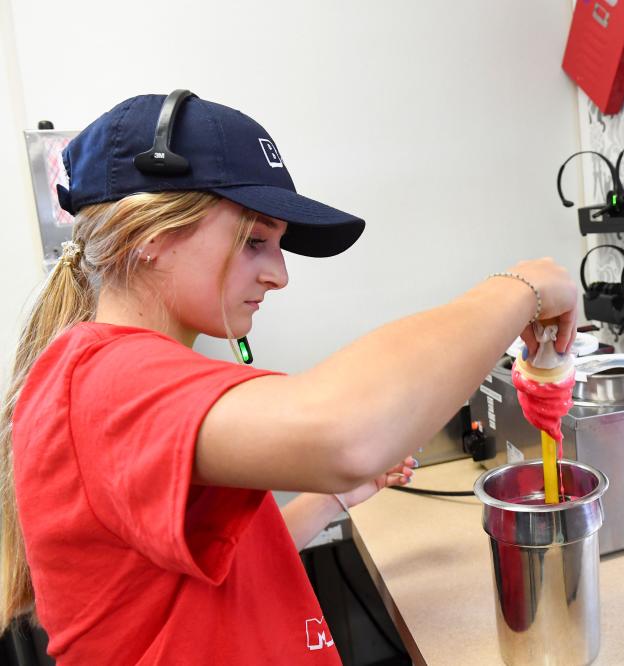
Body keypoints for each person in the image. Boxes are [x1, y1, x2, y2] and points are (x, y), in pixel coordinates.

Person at [0, 91, 577, 664]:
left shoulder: (124, 375)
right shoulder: (103, 379)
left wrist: (330, 498)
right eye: (255, 241)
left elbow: (228, 569)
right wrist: (519, 287)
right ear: (149, 233)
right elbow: (346, 432)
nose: (279, 274)